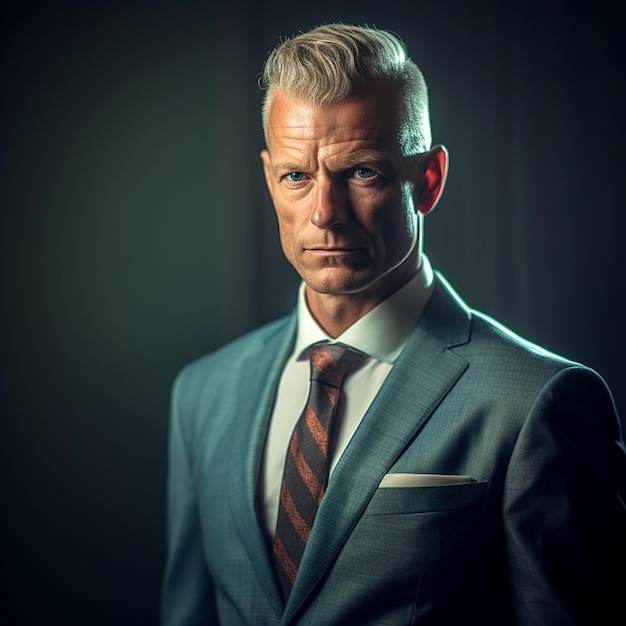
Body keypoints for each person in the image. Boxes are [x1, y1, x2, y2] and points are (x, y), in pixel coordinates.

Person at [161, 23, 626, 625]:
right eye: (297, 177)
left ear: (428, 180)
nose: (323, 214)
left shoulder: (536, 402)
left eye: (361, 172)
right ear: (270, 177)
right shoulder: (203, 394)